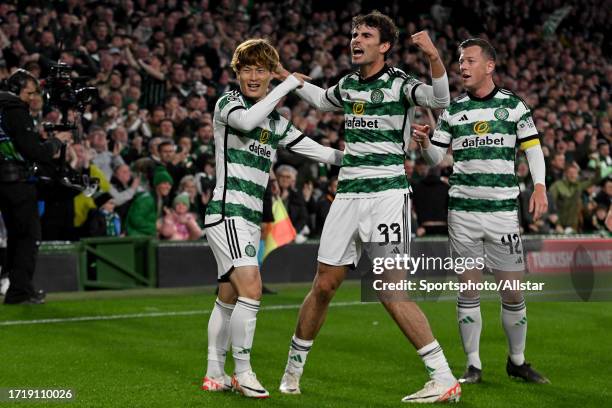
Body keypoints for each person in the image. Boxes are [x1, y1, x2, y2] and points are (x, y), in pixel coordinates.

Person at [275, 11, 460, 403]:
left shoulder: (400, 85)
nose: (356, 39)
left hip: (387, 198)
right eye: (354, 33)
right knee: (323, 285)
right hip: (347, 197)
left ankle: (442, 377)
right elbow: (323, 101)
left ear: (385, 45)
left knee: (391, 290)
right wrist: (284, 76)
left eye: (365, 34)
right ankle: (292, 371)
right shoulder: (348, 84)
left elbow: (441, 98)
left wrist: (434, 58)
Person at [201, 39, 343, 399]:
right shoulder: (229, 104)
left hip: (248, 217)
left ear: (267, 73)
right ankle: (243, 372)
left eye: (260, 69)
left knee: (229, 295)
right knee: (252, 288)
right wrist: (287, 84)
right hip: (227, 211)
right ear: (237, 73)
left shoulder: (277, 123)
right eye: (246, 69)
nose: (253, 76)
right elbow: (248, 120)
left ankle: (214, 372)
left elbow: (320, 151)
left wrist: (359, 158)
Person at [413, 38, 550, 385]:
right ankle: (473, 365)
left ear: (489, 66)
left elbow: (533, 149)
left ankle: (516, 361)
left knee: (513, 292)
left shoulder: (513, 107)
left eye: (470, 60)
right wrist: (426, 143)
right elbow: (436, 159)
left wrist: (539, 186)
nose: (462, 66)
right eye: (460, 60)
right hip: (462, 214)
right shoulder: (454, 111)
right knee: (468, 289)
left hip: (503, 211)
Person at [0, 69, 69, 304]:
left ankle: (15, 286)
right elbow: (33, 152)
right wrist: (56, 142)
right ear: (17, 89)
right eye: (29, 93)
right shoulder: (15, 109)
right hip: (15, 182)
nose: (32, 98)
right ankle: (20, 291)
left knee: (15, 236)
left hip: (3, 181)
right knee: (27, 236)